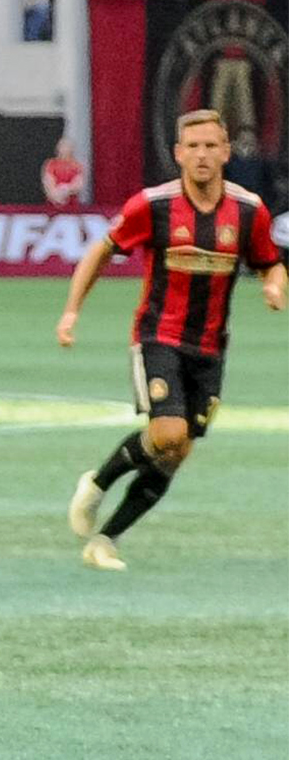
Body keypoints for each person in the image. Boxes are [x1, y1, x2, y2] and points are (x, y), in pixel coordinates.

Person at [57, 109, 284, 571]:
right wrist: (71, 310)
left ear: (226, 152)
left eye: (210, 146)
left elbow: (268, 260)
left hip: (211, 348)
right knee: (168, 433)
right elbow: (101, 251)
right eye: (193, 147)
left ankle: (105, 540)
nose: (202, 155)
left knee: (177, 454)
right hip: (159, 336)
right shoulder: (153, 206)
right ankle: (98, 483)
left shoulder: (248, 211)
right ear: (178, 153)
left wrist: (273, 283)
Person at [42, 137, 86, 207]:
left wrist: (66, 189)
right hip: (53, 202)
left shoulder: (76, 166)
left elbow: (78, 184)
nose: (64, 150)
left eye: (67, 147)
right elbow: (48, 182)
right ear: (58, 148)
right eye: (62, 147)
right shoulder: (51, 164)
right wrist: (55, 195)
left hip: (71, 203)